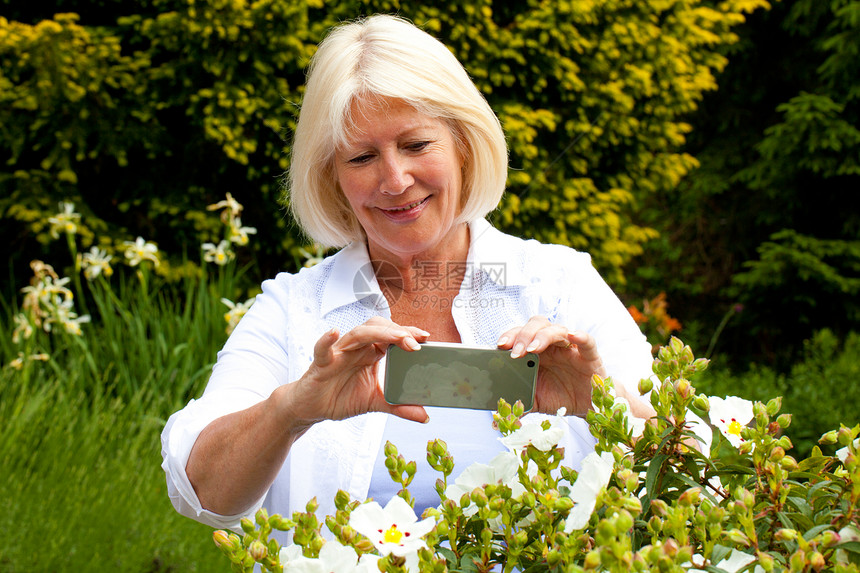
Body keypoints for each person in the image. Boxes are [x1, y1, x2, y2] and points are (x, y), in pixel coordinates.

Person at [160, 14, 657, 536]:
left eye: (417, 145)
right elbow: (201, 493)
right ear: (331, 174)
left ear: (463, 144)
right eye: (361, 156)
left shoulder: (560, 283)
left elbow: (689, 461)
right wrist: (291, 409)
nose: (395, 181)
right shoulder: (293, 307)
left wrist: (601, 401)